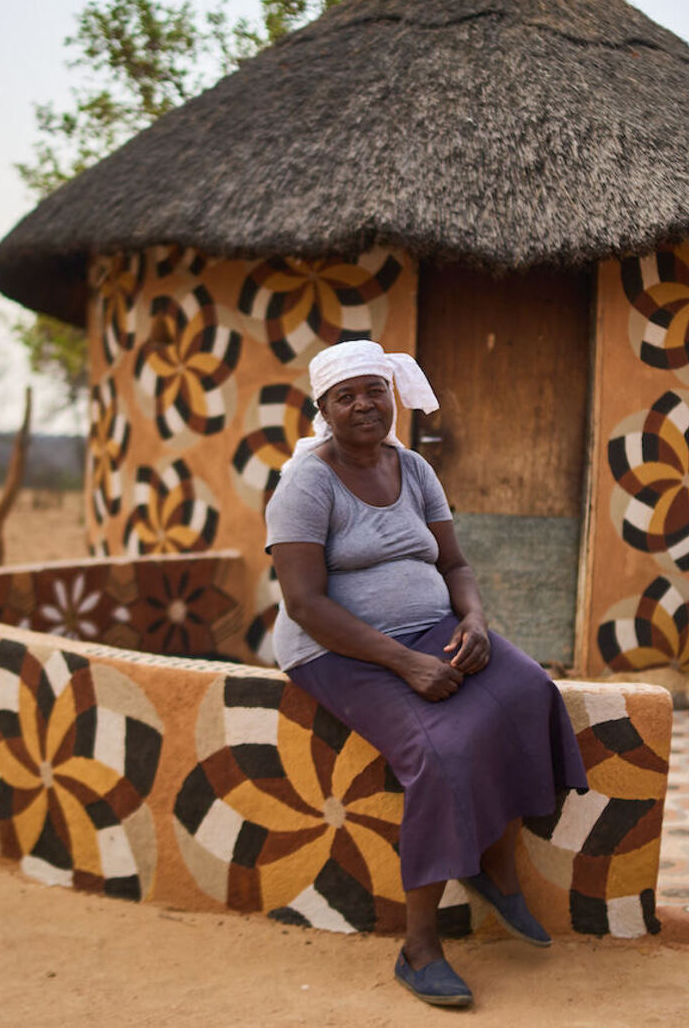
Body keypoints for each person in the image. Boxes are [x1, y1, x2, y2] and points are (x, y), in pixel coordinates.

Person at [264, 339, 589, 1008]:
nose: (364, 405)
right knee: (438, 749)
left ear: (393, 393)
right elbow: (305, 603)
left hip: (434, 627)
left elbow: (456, 564)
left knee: (527, 691)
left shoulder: (412, 468)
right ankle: (419, 947)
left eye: (374, 390)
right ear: (324, 407)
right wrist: (404, 661)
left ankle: (496, 870)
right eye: (346, 396)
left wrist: (474, 619)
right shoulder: (307, 482)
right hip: (336, 649)